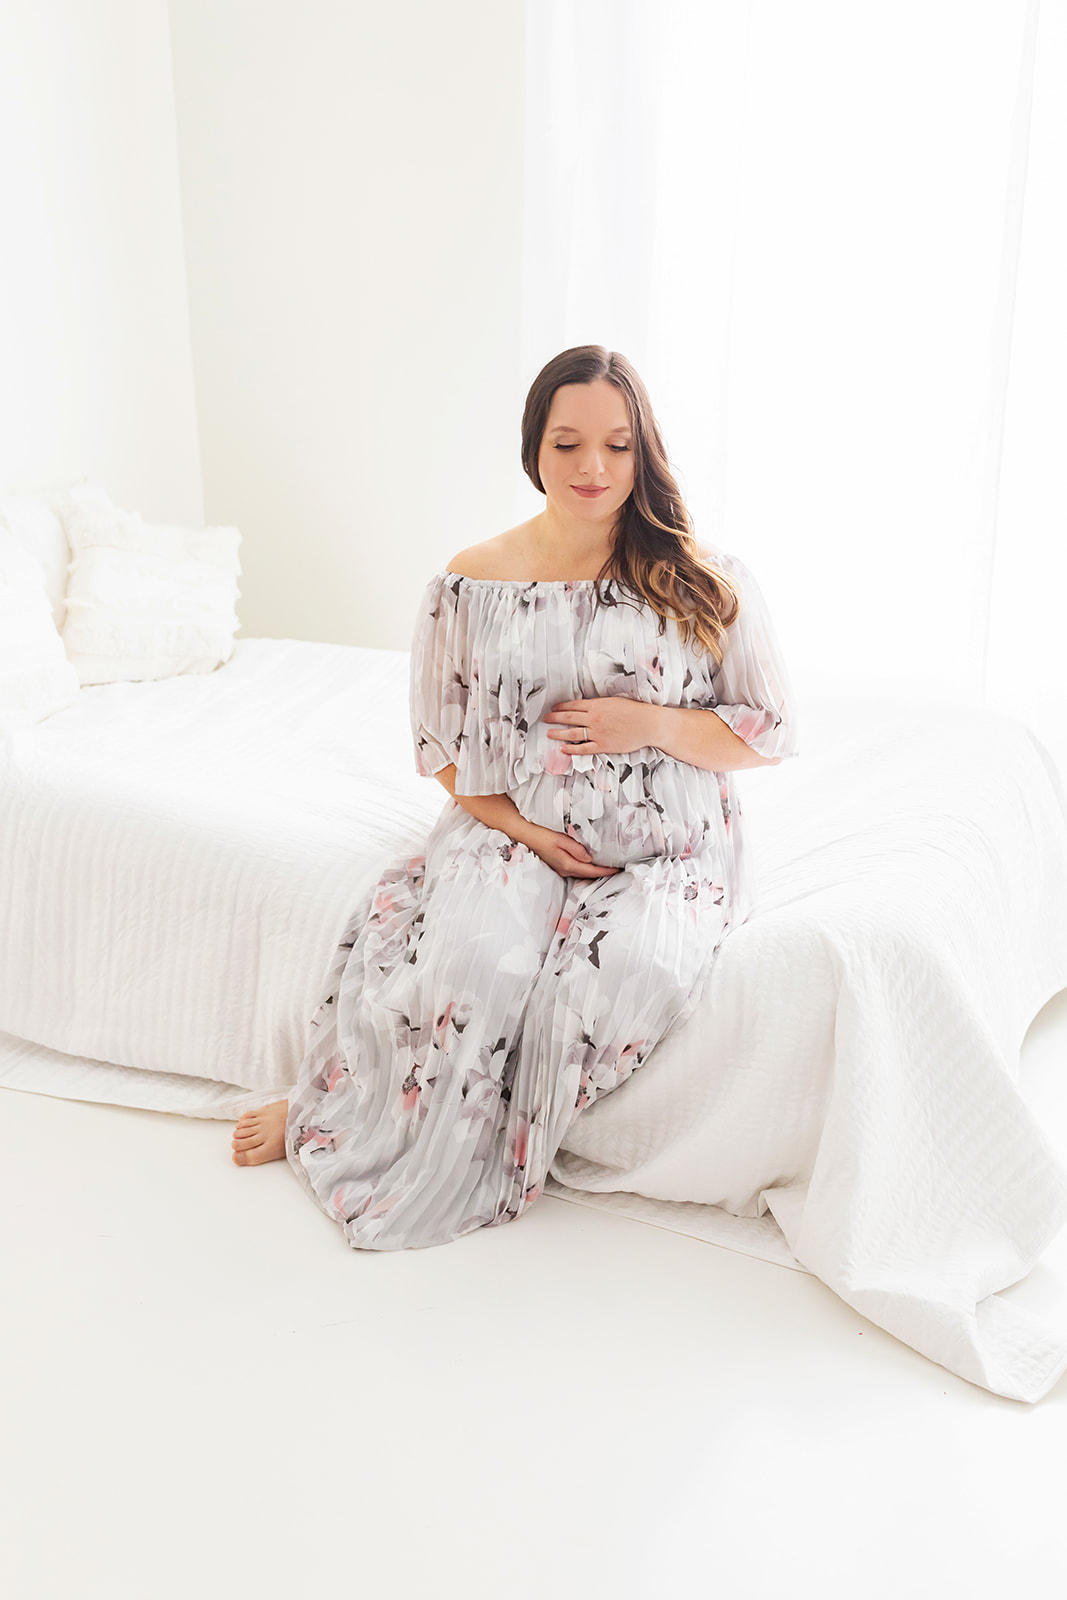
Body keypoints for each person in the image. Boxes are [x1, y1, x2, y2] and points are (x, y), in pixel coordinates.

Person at [230, 343, 800, 1250]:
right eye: (567, 444)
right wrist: (522, 831)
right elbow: (441, 750)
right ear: (534, 447)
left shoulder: (702, 576)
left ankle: (485, 1145)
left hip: (667, 848)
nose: (593, 469)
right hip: (514, 829)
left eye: (617, 446)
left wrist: (644, 724)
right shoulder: (471, 580)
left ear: (643, 451)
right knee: (470, 964)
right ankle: (333, 1111)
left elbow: (766, 731)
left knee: (624, 977)